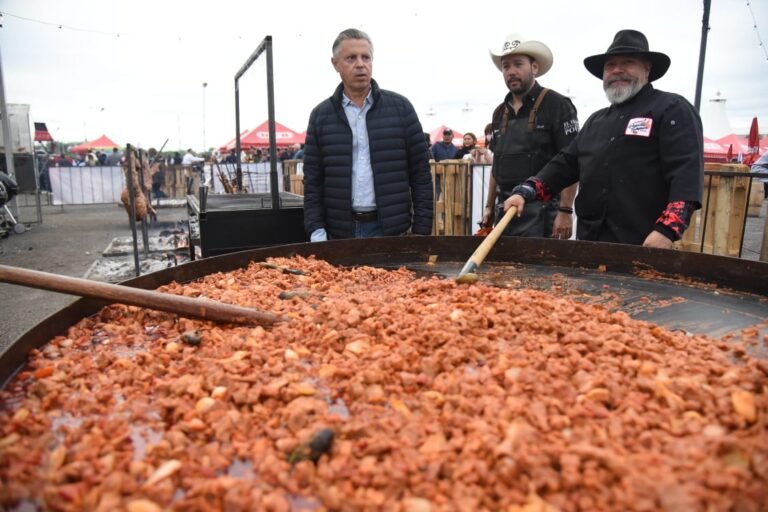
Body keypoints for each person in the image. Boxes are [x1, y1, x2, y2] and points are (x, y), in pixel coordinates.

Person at [504, 30, 704, 248]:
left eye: (628, 62)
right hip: (590, 242)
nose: (617, 70)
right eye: (610, 65)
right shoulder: (595, 121)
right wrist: (526, 191)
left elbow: (686, 174)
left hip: (644, 242)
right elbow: (564, 165)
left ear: (647, 68)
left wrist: (667, 230)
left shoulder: (672, 109)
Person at [303, 28, 433, 241]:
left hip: (391, 230)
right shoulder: (321, 116)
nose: (360, 64)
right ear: (335, 64)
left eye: (366, 57)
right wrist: (316, 231)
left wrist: (421, 231)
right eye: (351, 58)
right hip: (339, 233)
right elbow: (313, 182)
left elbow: (421, 174)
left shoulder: (401, 109)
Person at [482, 33, 579, 240]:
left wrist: (565, 211)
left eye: (518, 64)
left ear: (534, 68)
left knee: (540, 272)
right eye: (506, 66)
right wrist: (489, 207)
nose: (511, 72)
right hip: (504, 209)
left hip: (543, 212)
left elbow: (572, 162)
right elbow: (496, 166)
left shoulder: (558, 105)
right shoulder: (499, 112)